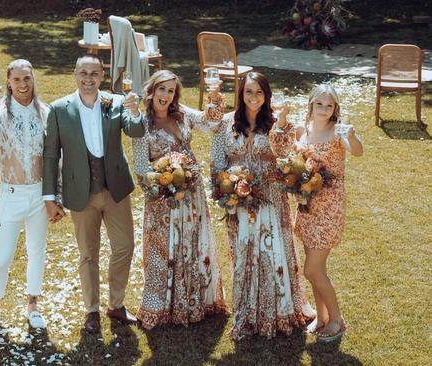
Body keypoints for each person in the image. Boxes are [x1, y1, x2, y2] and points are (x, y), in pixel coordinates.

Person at [42, 54, 145, 333]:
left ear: (102, 76)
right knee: (88, 254)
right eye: (83, 73)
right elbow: (51, 155)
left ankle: (115, 304)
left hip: (115, 189)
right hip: (80, 192)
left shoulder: (116, 102)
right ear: (75, 74)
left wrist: (135, 112)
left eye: (94, 74)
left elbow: (136, 131)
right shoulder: (59, 109)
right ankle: (91, 311)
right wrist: (50, 197)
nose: (88, 79)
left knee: (124, 247)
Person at [210, 72, 310, 340]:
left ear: (266, 96)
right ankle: (246, 311)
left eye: (259, 92)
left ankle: (279, 310)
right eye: (248, 92)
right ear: (241, 95)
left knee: (272, 252)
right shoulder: (226, 123)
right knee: (244, 253)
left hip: (271, 197)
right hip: (239, 199)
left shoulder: (277, 123)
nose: (253, 97)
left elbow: (288, 157)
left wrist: (284, 126)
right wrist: (226, 188)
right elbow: (217, 161)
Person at [131, 70, 228, 329]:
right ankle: (160, 305)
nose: (166, 95)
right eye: (162, 89)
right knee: (164, 250)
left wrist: (215, 96)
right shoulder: (141, 123)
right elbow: (140, 166)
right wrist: (165, 181)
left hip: (192, 193)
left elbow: (212, 124)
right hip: (162, 196)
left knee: (192, 243)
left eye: (171, 90)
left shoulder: (182, 113)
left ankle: (196, 300)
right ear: (152, 91)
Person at [271, 84, 363, 342]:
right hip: (307, 206)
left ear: (335, 109)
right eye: (319, 104)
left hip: (329, 209)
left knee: (312, 269)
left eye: (329, 105)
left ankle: (337, 320)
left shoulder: (338, 132)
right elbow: (287, 155)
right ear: (311, 104)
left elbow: (357, 151)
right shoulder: (304, 130)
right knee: (316, 267)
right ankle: (321, 317)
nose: (324, 109)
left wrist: (353, 136)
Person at [0, 59, 50, 331]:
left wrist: (56, 196)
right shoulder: (0, 112)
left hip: (40, 195)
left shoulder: (45, 112)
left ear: (33, 79)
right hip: (10, 195)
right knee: (3, 257)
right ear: (8, 82)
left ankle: (33, 305)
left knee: (36, 252)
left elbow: (56, 156)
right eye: (17, 80)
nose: (22, 84)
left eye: (26, 79)